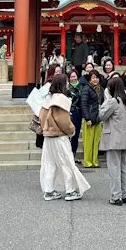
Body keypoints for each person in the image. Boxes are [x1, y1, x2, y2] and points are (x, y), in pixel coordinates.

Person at [39, 73, 91, 201]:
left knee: (50, 163)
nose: (68, 84)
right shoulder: (61, 99)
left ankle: (49, 190)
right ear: (63, 84)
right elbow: (63, 121)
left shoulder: (48, 98)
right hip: (60, 136)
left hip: (48, 136)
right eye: (66, 82)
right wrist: (71, 130)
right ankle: (70, 190)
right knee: (66, 163)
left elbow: (41, 117)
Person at [99, 76, 126, 206]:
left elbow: (102, 115)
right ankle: (125, 194)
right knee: (125, 168)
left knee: (114, 168)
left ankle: (116, 196)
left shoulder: (113, 101)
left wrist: (106, 99)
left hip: (114, 138)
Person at [79, 70, 104, 168]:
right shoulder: (86, 88)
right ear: (89, 79)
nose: (95, 79)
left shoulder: (101, 89)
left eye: (97, 77)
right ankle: (88, 162)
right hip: (89, 118)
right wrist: (87, 118)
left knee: (96, 141)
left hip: (98, 117)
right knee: (88, 142)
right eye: (93, 77)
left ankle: (95, 161)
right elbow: (83, 104)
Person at [68, 69, 83, 161]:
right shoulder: (67, 87)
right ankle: (68, 155)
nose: (73, 78)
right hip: (70, 111)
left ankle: (73, 153)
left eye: (74, 76)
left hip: (79, 112)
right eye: (71, 76)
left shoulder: (82, 86)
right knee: (70, 134)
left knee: (76, 134)